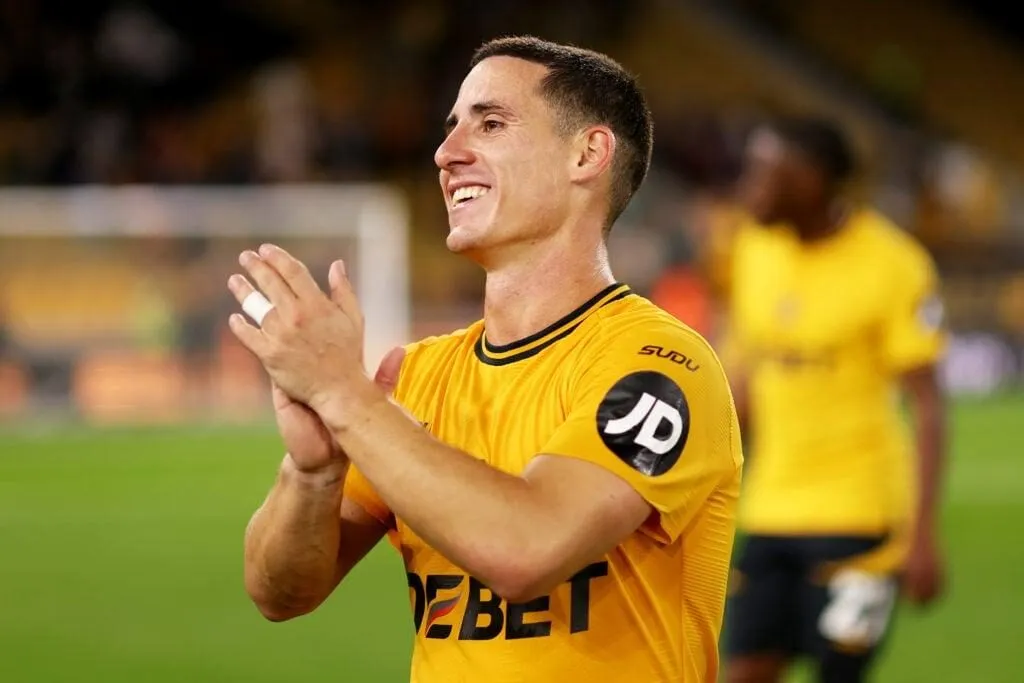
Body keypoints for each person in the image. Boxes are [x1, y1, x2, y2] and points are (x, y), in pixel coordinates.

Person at [230, 36, 743, 682]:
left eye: (491, 123)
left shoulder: (663, 367)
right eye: (450, 130)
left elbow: (528, 548)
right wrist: (311, 473)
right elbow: (279, 592)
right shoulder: (414, 378)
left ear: (587, 153)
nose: (446, 154)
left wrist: (347, 399)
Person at [720, 117, 948, 683]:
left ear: (811, 181)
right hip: (770, 513)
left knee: (840, 675)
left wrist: (922, 536)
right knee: (742, 669)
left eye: (764, 173)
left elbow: (928, 405)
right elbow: (743, 383)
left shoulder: (894, 263)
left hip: (861, 520)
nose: (749, 186)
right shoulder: (753, 249)